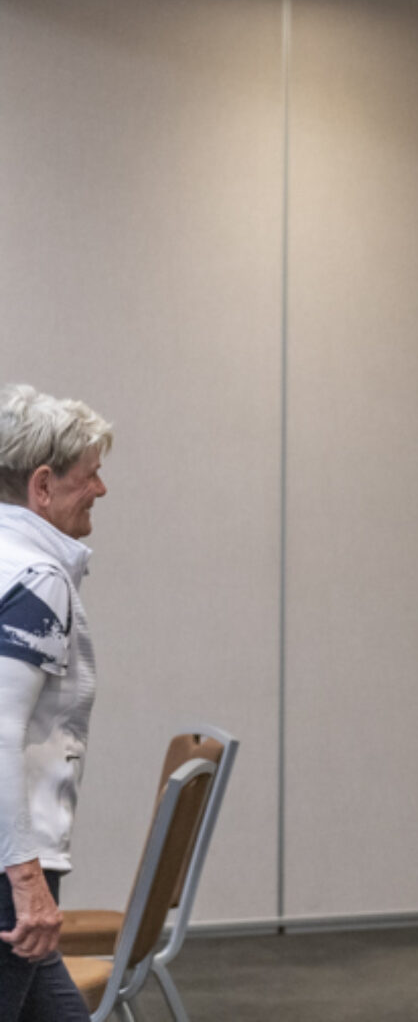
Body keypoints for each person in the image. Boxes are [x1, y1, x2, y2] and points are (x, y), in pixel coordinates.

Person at [0, 384, 113, 1022]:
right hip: (10, 872)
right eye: (89, 474)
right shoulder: (36, 580)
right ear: (42, 485)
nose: (101, 489)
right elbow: (0, 734)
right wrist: (26, 881)